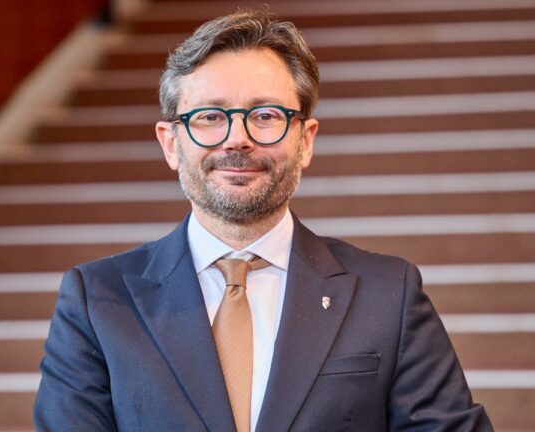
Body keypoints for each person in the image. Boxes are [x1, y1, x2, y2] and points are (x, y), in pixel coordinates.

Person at [34, 9, 493, 432]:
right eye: (210, 116)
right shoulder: (97, 301)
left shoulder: (389, 294)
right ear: (171, 143)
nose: (238, 138)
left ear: (306, 140)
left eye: (266, 115)